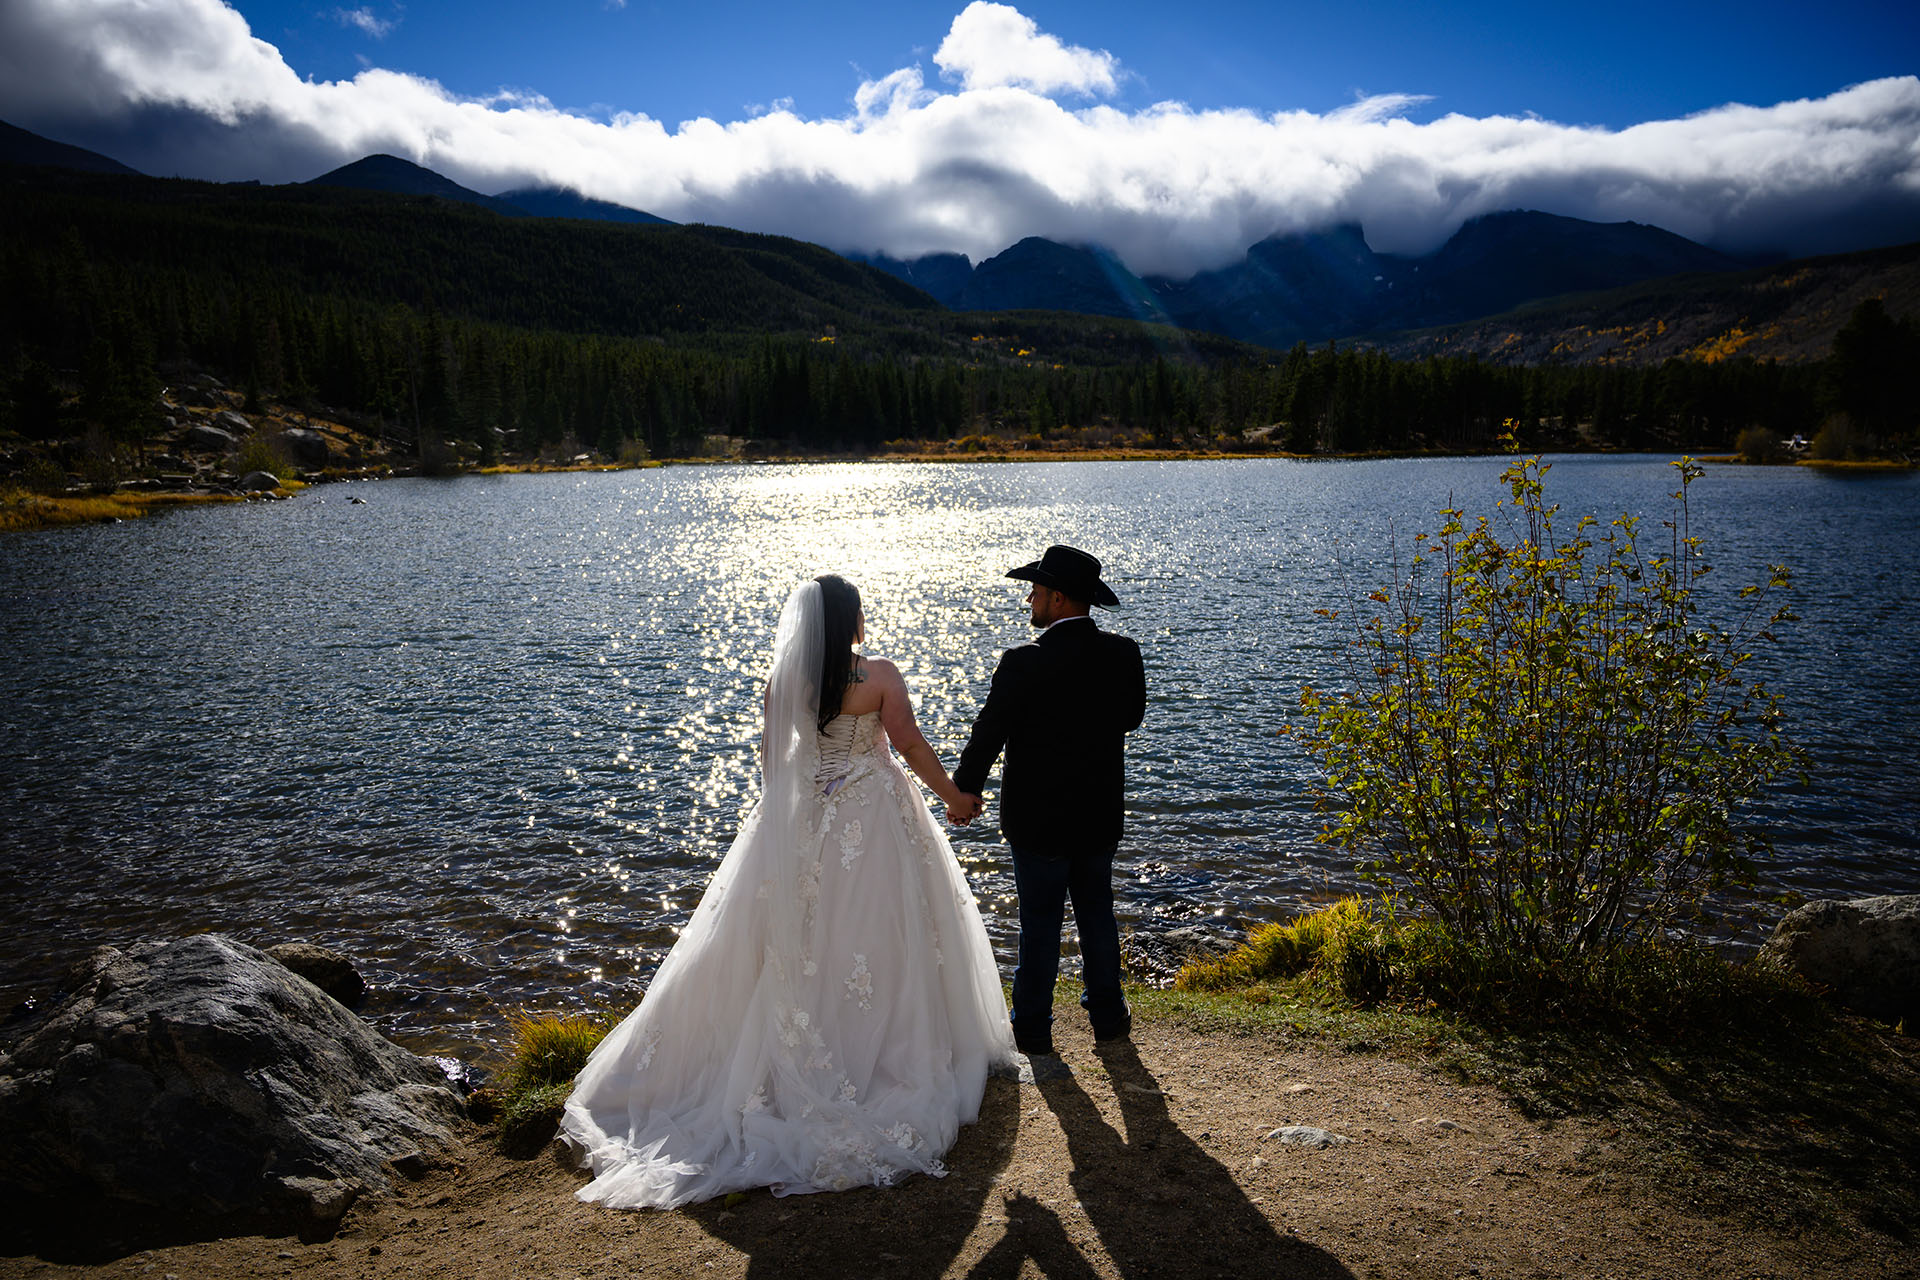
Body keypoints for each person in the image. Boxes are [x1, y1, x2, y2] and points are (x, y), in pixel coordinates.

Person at [561, 575, 1017, 1209]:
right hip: (874, 818)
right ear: (851, 620)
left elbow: (774, 767)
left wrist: (794, 821)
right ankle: (888, 1050)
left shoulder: (784, 683)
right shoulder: (878, 675)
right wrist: (954, 798)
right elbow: (908, 744)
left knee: (803, 936)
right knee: (883, 933)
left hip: (806, 818)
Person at [953, 546, 1146, 1057]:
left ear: (1058, 598)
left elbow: (988, 732)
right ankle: (1108, 1019)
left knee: (1039, 925)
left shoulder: (1023, 662)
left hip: (1036, 819)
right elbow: (1130, 719)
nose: (1029, 601)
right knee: (1098, 918)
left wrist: (965, 790)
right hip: (1098, 813)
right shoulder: (1123, 655)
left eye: (1035, 591)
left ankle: (1034, 1031)